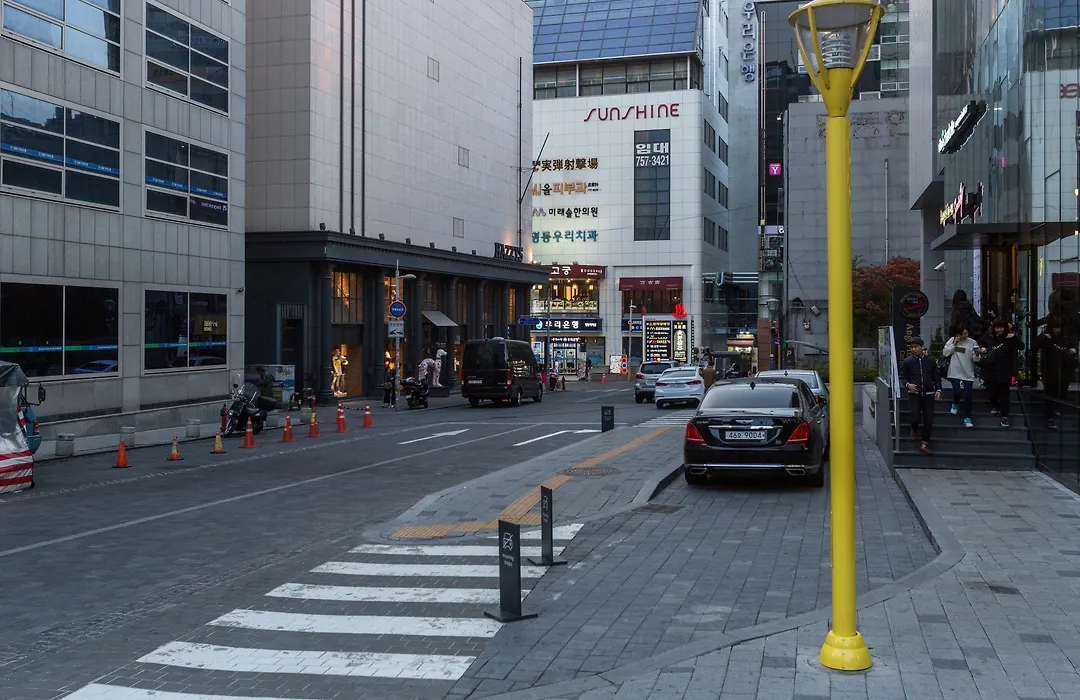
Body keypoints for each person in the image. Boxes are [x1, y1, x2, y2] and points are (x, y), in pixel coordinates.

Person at [979, 319, 1024, 428]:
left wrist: (1013, 337)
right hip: (990, 369)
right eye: (997, 327)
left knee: (1004, 393)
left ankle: (1005, 416)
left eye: (1001, 327)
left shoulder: (1010, 338)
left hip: (1004, 370)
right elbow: (980, 343)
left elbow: (1022, 346)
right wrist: (982, 348)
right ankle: (996, 405)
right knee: (992, 389)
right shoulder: (989, 336)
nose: (999, 330)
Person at [901, 336, 942, 455]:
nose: (913, 349)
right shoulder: (908, 362)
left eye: (915, 347)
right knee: (915, 418)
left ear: (922, 347)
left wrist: (938, 390)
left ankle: (924, 444)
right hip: (915, 394)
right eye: (911, 347)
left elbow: (936, 377)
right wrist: (908, 385)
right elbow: (904, 378)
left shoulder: (930, 361)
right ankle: (913, 428)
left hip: (929, 394)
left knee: (928, 420)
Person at [942, 327, 978, 428]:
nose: (964, 336)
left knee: (968, 396)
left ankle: (967, 417)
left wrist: (977, 354)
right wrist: (954, 344)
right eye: (962, 334)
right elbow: (945, 353)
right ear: (957, 334)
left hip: (968, 372)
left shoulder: (972, 342)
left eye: (966, 333)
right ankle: (955, 403)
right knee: (957, 391)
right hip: (955, 371)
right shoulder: (952, 340)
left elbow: (976, 359)